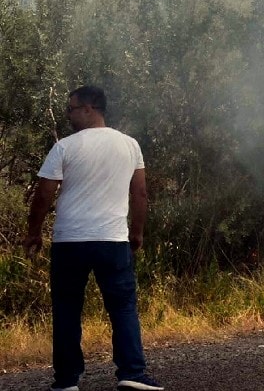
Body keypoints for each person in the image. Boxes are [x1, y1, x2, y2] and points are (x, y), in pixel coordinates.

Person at [22, 86, 164, 391]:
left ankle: (66, 381)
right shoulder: (129, 145)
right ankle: (132, 373)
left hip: (70, 241)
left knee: (67, 310)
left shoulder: (65, 147)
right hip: (112, 240)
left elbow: (44, 193)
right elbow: (139, 193)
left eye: (71, 109)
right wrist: (136, 232)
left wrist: (34, 231)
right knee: (123, 307)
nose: (68, 115)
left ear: (89, 108)